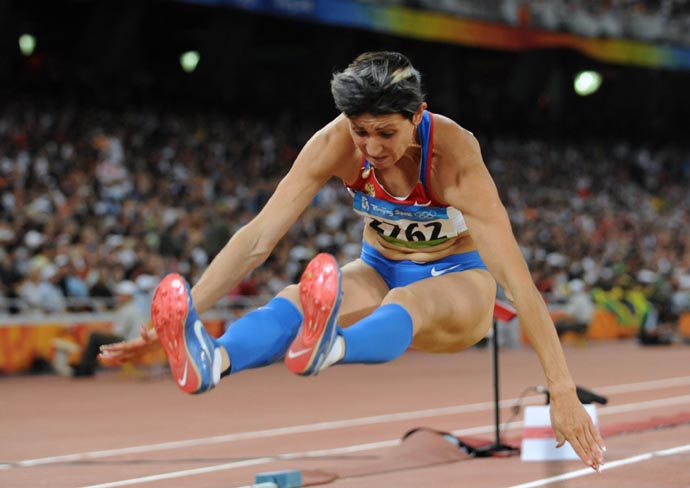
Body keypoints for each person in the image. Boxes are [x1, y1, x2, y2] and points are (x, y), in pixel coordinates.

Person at [100, 51, 605, 470]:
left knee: (412, 298)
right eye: (361, 131)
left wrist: (562, 389)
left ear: (417, 115)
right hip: (379, 266)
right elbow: (258, 238)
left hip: (460, 280)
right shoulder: (334, 143)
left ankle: (330, 347)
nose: (372, 147)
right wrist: (189, 310)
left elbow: (516, 279)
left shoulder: (453, 157)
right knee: (297, 298)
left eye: (385, 132)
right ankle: (215, 360)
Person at [55, 280, 148, 377]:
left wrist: (100, 331)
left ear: (128, 296)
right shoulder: (133, 309)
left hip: (129, 342)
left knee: (95, 337)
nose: (118, 297)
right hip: (135, 342)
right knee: (97, 338)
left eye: (120, 295)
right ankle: (87, 366)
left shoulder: (127, 311)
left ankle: (85, 367)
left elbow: (117, 333)